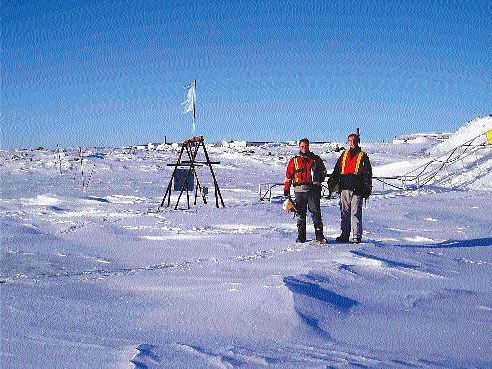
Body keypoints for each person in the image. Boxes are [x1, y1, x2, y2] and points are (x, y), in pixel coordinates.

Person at [328, 133, 372, 243]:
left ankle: (356, 236)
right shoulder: (344, 155)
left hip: (357, 189)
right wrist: (332, 181)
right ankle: (344, 235)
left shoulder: (363, 156)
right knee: (344, 213)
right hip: (344, 188)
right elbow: (337, 170)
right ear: (348, 142)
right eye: (350, 141)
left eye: (354, 140)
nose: (352, 142)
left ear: (358, 141)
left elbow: (367, 174)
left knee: (355, 213)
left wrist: (367, 189)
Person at [284, 138, 327, 243]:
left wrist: (319, 179)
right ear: (299, 147)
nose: (304, 148)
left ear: (309, 146)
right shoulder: (294, 161)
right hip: (299, 192)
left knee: (316, 213)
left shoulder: (315, 159)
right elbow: (288, 176)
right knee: (300, 214)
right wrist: (286, 189)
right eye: (302, 146)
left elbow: (324, 172)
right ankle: (301, 237)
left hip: (312, 191)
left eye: (306, 146)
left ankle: (319, 237)